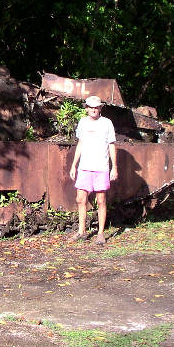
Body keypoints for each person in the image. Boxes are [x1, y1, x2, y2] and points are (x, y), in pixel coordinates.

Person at [68, 95, 117, 245]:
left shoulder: (107, 123)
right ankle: (81, 231)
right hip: (85, 167)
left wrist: (114, 167)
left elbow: (111, 145)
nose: (93, 110)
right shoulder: (83, 122)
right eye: (91, 107)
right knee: (80, 199)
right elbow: (80, 144)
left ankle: (100, 233)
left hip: (101, 167)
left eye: (96, 107)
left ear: (100, 108)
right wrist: (74, 165)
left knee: (101, 200)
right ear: (87, 108)